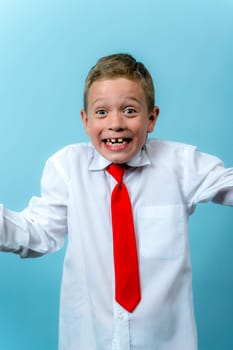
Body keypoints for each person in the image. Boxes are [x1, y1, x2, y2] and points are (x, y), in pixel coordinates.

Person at [0, 53, 233, 350]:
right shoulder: (66, 168)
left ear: (151, 118)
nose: (116, 123)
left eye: (130, 111)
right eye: (101, 112)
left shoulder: (180, 164)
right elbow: (38, 233)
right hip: (89, 340)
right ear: (85, 121)